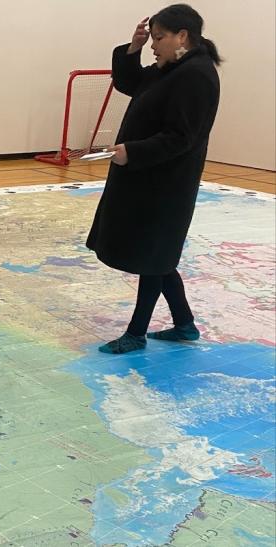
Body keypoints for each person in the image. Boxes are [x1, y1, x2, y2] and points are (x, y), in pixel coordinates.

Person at [86, 4, 221, 354]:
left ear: (182, 36)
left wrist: (133, 151)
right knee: (159, 255)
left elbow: (182, 137)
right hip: (148, 178)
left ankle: (136, 333)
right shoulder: (170, 68)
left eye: (158, 38)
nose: (153, 45)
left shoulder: (196, 75)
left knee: (154, 256)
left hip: (167, 183)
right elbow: (130, 82)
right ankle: (185, 324)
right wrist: (132, 47)